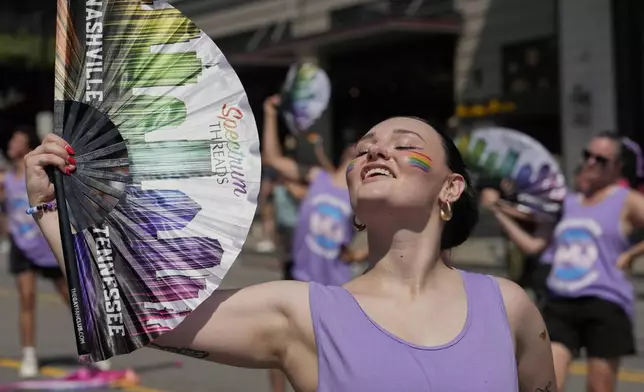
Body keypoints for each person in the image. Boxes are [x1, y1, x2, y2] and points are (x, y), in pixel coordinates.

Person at [27, 117, 555, 391]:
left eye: (403, 142)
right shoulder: (302, 312)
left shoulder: (508, 307)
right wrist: (51, 208)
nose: (375, 150)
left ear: (451, 187)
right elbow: (137, 313)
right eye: (365, 147)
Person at [483, 132, 644, 392]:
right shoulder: (567, 204)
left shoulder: (624, 200)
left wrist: (631, 254)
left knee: (599, 387)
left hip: (605, 302)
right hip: (560, 302)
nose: (591, 163)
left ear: (617, 166)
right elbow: (533, 245)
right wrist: (497, 210)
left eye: (600, 159)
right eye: (587, 156)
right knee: (547, 384)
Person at [2, 128, 110, 377]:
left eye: (16, 140)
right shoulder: (6, 177)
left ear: (27, 145)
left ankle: (94, 346)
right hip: (21, 245)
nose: (11, 143)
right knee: (26, 299)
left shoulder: (39, 173)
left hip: (45, 243)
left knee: (71, 297)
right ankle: (29, 355)